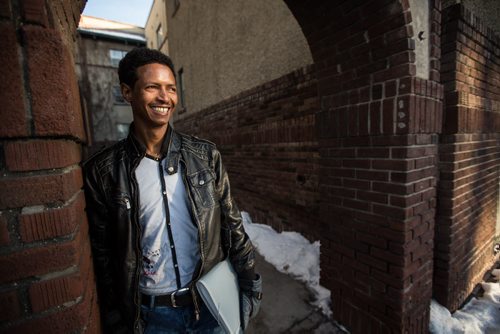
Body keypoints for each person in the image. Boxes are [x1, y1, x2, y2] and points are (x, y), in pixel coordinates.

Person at [83, 47, 262, 334]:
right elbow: (103, 256)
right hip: (153, 318)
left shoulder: (205, 156)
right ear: (127, 92)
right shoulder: (103, 172)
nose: (165, 98)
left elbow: (232, 223)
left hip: (211, 303)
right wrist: (115, 317)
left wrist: (250, 281)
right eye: (153, 87)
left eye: (171, 88)